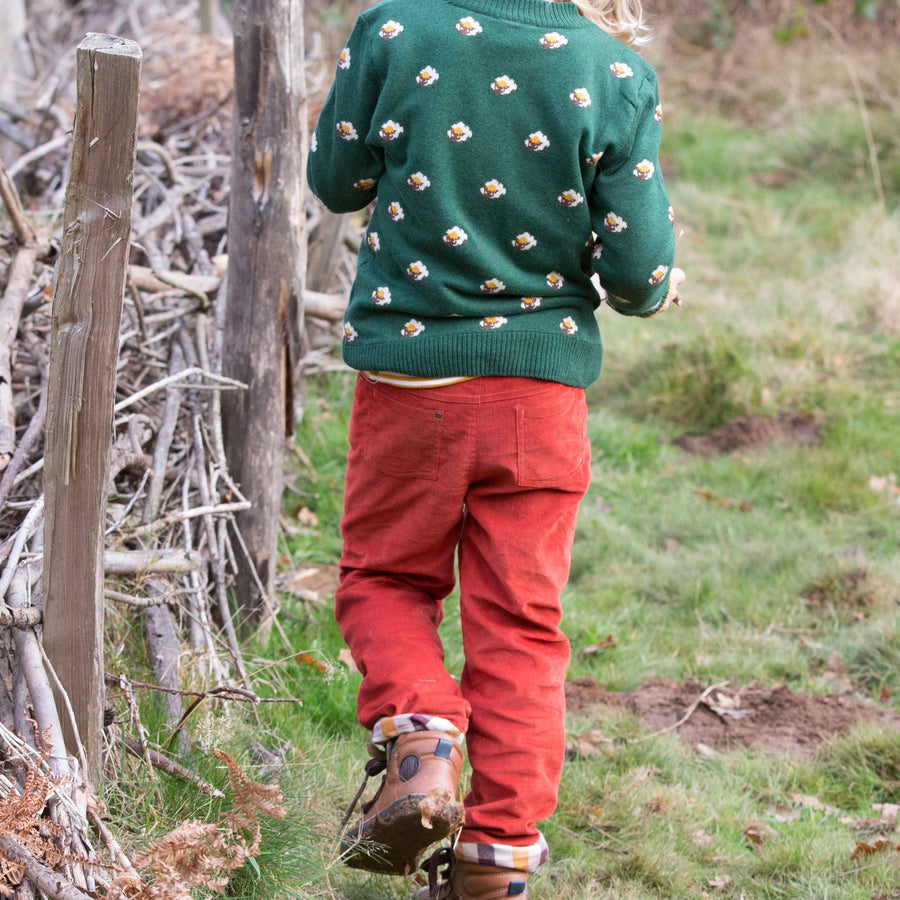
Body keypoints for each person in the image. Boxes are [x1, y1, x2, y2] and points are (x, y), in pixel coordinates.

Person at [307, 0, 685, 894]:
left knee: (389, 579)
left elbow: (334, 178)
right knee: (520, 621)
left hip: (412, 379)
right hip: (539, 395)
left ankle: (423, 734)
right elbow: (639, 278)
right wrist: (663, 287)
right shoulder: (615, 71)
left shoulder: (398, 31)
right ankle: (499, 849)